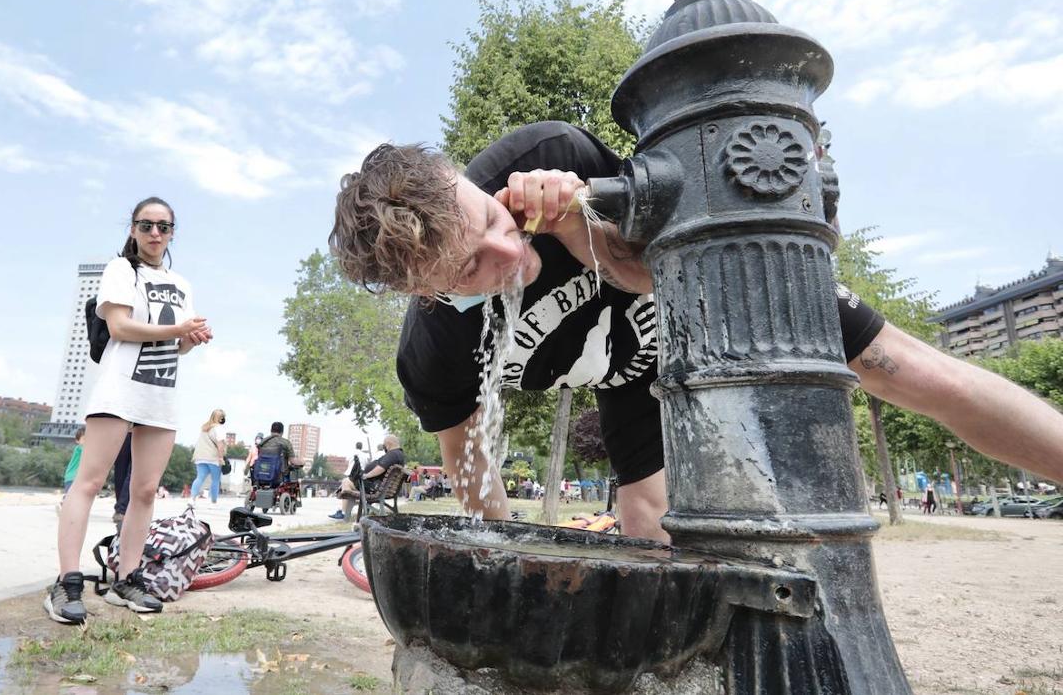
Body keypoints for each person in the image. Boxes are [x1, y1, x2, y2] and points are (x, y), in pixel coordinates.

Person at [330, 121, 1063, 542]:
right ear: (421, 291)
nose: (509, 257)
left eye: (492, 225)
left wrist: (576, 221)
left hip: (715, 277)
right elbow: (476, 481)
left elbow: (664, 266)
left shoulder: (546, 159)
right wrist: (512, 561)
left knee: (907, 370)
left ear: (465, 177)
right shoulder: (435, 357)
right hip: (628, 374)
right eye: (469, 271)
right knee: (647, 511)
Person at [48, 196, 212, 625]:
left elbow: (173, 346)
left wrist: (189, 340)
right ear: (133, 230)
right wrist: (178, 329)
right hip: (120, 391)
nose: (155, 233)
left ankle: (128, 578)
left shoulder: (182, 283)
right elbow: (120, 327)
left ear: (173, 232)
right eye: (146, 225)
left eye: (164, 226)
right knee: (89, 482)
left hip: (160, 395)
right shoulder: (121, 270)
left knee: (143, 492)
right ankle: (66, 582)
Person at [330, 435, 406, 520]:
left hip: (375, 488)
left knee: (346, 482)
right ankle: (344, 512)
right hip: (382, 488)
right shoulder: (399, 454)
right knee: (349, 485)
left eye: (385, 445)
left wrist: (366, 475)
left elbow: (381, 468)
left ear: (389, 444)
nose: (385, 447)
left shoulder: (392, 454)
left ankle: (344, 513)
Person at [190, 409, 227, 505]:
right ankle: (213, 502)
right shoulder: (219, 428)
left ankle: (192, 499)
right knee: (215, 479)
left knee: (199, 478)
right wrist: (221, 457)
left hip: (200, 456)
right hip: (213, 458)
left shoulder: (204, 427)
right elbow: (220, 445)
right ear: (221, 418)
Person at [62, 427, 85, 497]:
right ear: (77, 441)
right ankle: (64, 503)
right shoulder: (79, 448)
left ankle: (65, 503)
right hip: (72, 476)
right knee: (70, 495)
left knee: (76, 497)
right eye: (85, 439)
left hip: (78, 477)